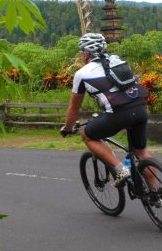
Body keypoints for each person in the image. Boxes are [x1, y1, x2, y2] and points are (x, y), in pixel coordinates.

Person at [60, 33, 150, 186]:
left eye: (82, 52)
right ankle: (156, 192)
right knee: (141, 152)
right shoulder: (119, 61)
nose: (82, 55)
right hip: (141, 108)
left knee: (87, 135)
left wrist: (67, 128)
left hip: (118, 114)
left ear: (86, 53)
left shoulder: (82, 74)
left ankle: (121, 171)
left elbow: (74, 107)